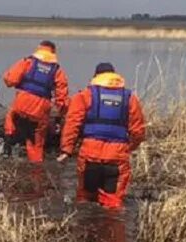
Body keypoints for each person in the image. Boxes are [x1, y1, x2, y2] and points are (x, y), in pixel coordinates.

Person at [58, 63, 146, 210]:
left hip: (90, 152)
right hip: (117, 155)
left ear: (96, 76)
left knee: (85, 199)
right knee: (113, 203)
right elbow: (138, 130)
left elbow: (72, 123)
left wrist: (67, 149)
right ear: (115, 76)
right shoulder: (130, 98)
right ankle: (113, 229)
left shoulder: (85, 95)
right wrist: (130, 147)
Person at [2, 40, 69, 163]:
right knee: (36, 143)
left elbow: (9, 80)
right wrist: (61, 114)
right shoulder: (57, 70)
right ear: (53, 52)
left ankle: (7, 145)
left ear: (39, 49)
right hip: (40, 110)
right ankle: (36, 169)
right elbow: (62, 97)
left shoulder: (27, 62)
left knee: (11, 118)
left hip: (21, 103)